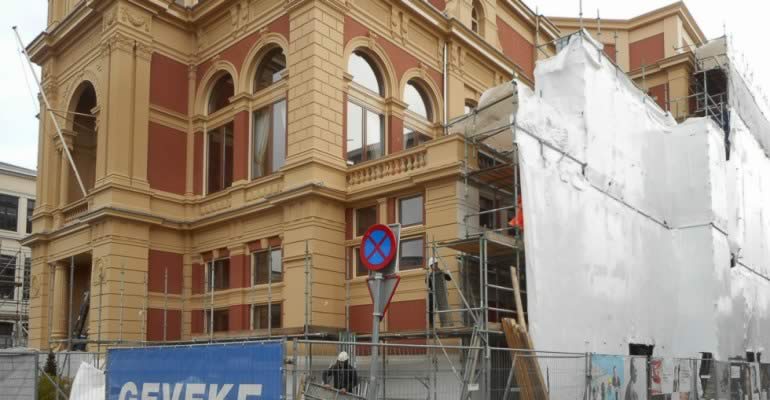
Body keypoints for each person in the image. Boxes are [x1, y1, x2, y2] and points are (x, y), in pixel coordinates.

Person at [426, 257, 451, 329]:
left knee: (443, 309)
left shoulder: (442, 273)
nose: (434, 266)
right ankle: (431, 325)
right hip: (433, 294)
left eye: (435, 264)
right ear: (431, 266)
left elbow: (449, 278)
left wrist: (448, 272)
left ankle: (445, 324)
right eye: (433, 265)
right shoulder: (430, 276)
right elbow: (427, 284)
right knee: (431, 309)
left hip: (441, 294)